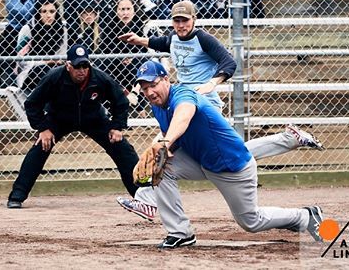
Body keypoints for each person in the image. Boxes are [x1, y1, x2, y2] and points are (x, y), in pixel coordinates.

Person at [116, 0, 324, 221]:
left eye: (185, 20)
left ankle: (146, 199)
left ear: (194, 20)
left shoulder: (203, 39)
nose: (181, 25)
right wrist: (141, 41)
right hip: (181, 102)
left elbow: (229, 62)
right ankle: (289, 139)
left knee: (161, 146)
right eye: (176, 20)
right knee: (228, 152)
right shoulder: (174, 38)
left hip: (203, 104)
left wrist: (212, 83)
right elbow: (163, 42)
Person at [128, 60, 325, 248]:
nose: (149, 92)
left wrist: (163, 143)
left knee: (251, 221)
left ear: (166, 80)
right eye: (144, 88)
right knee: (161, 166)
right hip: (201, 161)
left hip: (231, 167)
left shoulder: (183, 95)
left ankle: (306, 217)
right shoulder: (157, 105)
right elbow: (172, 133)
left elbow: (183, 116)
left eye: (153, 85)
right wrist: (160, 149)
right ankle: (180, 234)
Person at [6, 43, 140, 209]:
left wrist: (117, 126)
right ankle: (17, 196)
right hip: (59, 118)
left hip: (93, 118)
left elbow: (120, 102)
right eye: (77, 66)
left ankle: (142, 196)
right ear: (68, 65)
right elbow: (32, 103)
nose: (81, 70)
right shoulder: (54, 77)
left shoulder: (99, 78)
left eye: (85, 65)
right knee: (40, 147)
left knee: (122, 148)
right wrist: (43, 128)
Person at [0, 0, 50, 86]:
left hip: (39, 33)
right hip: (15, 33)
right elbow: (22, 14)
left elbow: (49, 11)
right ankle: (9, 77)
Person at [14, 0, 67, 92]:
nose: (48, 15)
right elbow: (21, 59)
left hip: (57, 69)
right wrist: (44, 62)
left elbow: (62, 54)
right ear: (38, 13)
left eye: (52, 11)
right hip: (32, 72)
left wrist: (56, 61)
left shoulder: (62, 29)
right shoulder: (27, 29)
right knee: (44, 71)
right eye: (44, 11)